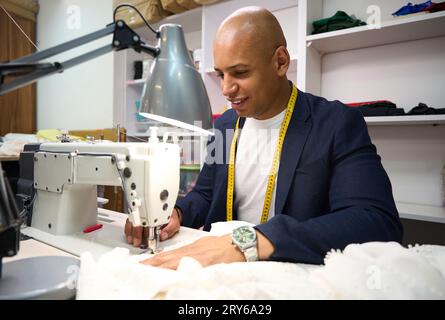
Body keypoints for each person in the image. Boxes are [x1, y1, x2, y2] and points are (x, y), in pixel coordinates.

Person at [125, 6, 403, 269]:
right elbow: (206, 194)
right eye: (220, 74)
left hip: (291, 272)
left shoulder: (335, 124)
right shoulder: (226, 124)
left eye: (240, 73)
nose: (226, 88)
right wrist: (175, 213)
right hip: (227, 273)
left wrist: (252, 242)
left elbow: (376, 222)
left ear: (280, 62)